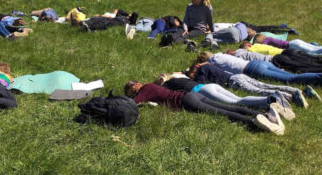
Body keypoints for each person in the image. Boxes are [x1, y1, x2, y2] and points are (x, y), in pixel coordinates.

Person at [124, 81, 285, 135]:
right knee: (227, 107)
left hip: (187, 102)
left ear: (136, 85)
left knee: (224, 113)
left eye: (132, 91)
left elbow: (133, 102)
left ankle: (254, 123)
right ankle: (261, 114)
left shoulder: (144, 90)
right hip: (193, 95)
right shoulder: (151, 85)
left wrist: (130, 99)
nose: (133, 94)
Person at [155, 74, 295, 120]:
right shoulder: (180, 77)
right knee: (239, 99)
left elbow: (162, 92)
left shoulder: (169, 84)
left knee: (237, 101)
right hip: (210, 86)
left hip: (203, 92)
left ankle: (271, 99)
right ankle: (269, 105)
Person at [183, 62, 309, 107]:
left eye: (192, 74)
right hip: (238, 76)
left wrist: (186, 76)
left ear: (195, 68)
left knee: (259, 91)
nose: (192, 76)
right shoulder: (209, 66)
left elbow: (200, 84)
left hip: (233, 82)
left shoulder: (201, 70)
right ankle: (297, 90)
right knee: (266, 85)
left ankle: (290, 97)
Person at [196, 51, 322, 86]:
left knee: (291, 79)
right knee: (289, 75)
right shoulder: (220, 55)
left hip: (253, 70)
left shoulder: (212, 64)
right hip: (258, 63)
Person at [228, 46, 322, 76]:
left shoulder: (238, 56)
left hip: (275, 61)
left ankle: (318, 71)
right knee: (303, 63)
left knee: (300, 68)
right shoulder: (243, 51)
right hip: (277, 57)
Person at [253, 34, 322, 55]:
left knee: (313, 52)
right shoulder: (269, 38)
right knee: (315, 48)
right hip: (294, 42)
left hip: (292, 45)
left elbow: (263, 47)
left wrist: (256, 47)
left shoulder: (267, 40)